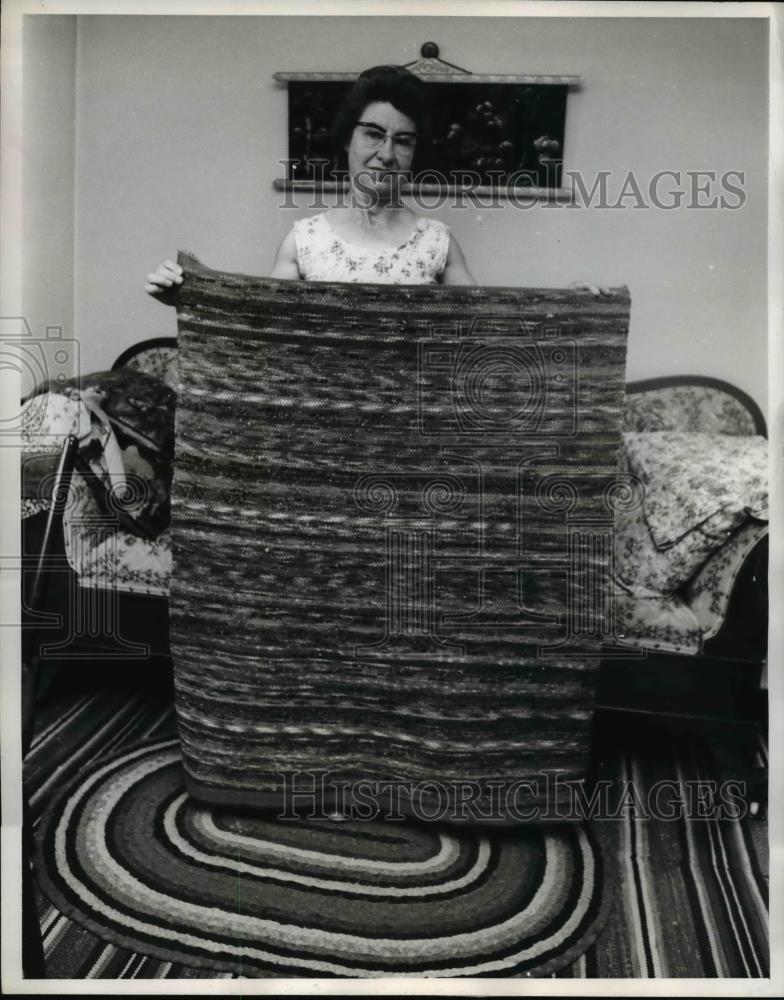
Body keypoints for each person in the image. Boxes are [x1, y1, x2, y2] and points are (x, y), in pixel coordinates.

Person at [145, 65, 607, 296]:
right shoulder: (303, 241)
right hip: (326, 437)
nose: (386, 153)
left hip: (410, 442)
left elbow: (485, 325)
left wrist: (568, 306)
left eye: (403, 141)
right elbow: (261, 331)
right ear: (347, 139)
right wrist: (189, 296)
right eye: (373, 134)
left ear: (413, 153)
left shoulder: (437, 243)